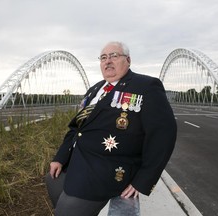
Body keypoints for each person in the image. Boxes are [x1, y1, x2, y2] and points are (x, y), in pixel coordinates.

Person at [46, 41, 177, 216]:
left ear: (128, 60)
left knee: (66, 210)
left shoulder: (146, 86)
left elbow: (163, 136)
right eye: (103, 57)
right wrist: (60, 157)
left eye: (114, 56)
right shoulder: (95, 89)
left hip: (104, 173)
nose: (108, 61)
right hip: (76, 162)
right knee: (52, 180)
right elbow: (77, 128)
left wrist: (143, 180)